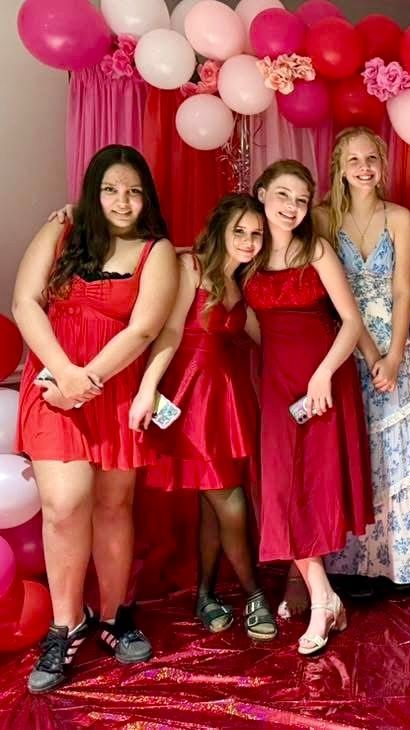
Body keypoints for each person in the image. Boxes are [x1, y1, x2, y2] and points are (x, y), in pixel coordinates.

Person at [13, 145, 177, 693]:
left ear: (146, 197)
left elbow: (144, 329)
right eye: (110, 190)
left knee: (113, 506)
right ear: (93, 193)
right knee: (65, 506)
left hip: (114, 387)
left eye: (133, 191)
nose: (122, 201)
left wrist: (88, 382)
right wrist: (65, 375)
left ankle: (112, 616)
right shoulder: (59, 231)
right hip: (53, 383)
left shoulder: (156, 252)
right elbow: (25, 303)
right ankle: (65, 625)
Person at [133, 193, 275, 640]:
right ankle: (254, 593)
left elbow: (270, 340)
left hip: (227, 403)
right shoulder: (189, 267)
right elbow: (170, 332)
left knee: (214, 505)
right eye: (240, 231)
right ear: (219, 230)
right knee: (229, 501)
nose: (249, 241)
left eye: (256, 234)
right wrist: (147, 389)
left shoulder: (243, 284)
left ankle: (205, 595)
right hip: (191, 402)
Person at [243, 160, 372, 655]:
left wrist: (322, 375)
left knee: (313, 488)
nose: (292, 207)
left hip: (324, 381)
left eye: (301, 199)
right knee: (281, 491)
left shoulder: (316, 249)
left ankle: (321, 601)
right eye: (283, 195)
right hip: (277, 386)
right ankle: (325, 597)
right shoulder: (247, 254)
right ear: (261, 193)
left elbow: (351, 322)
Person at [315, 127, 410, 590]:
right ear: (339, 167)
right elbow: (326, 293)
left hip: (391, 341)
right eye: (353, 160)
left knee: (392, 452)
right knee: (348, 448)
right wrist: (369, 351)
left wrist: (394, 355)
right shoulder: (322, 218)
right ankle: (346, 564)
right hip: (341, 345)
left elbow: (404, 289)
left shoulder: (398, 217)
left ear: (383, 165)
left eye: (371, 158)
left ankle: (394, 565)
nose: (363, 167)